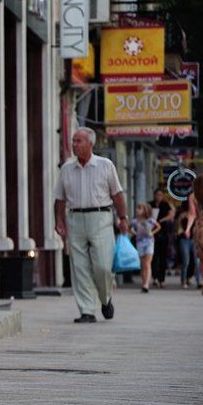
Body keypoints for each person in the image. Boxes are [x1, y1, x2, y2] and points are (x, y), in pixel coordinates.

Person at [54, 127, 129, 324]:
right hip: (75, 219)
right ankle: (87, 310)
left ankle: (105, 299)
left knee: (103, 266)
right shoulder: (66, 169)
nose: (74, 144)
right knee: (79, 267)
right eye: (73, 141)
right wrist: (59, 220)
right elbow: (59, 199)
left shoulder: (105, 165)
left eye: (79, 141)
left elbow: (117, 194)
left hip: (101, 218)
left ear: (90, 144)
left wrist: (123, 218)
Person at [130, 203, 160, 293]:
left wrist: (152, 233)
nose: (137, 210)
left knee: (147, 263)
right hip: (139, 243)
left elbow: (158, 226)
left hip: (149, 242)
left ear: (145, 210)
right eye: (137, 208)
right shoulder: (135, 221)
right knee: (143, 265)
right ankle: (144, 283)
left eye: (139, 208)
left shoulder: (150, 220)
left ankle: (146, 284)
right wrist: (134, 233)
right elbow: (129, 227)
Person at [148, 188, 175, 288]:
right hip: (152, 233)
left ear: (162, 196)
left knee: (163, 257)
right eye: (157, 195)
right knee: (154, 256)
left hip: (163, 233)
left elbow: (171, 215)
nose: (158, 197)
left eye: (160, 195)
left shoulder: (165, 204)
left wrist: (161, 220)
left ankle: (161, 279)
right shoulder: (150, 204)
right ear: (154, 195)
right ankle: (154, 277)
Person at [183, 175, 203, 294]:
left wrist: (187, 229)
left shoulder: (193, 197)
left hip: (200, 229)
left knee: (202, 259)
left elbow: (192, 214)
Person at [176, 199, 202, 289]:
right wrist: (183, 231)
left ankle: (199, 281)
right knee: (186, 261)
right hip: (184, 240)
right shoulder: (182, 216)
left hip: (195, 239)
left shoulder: (198, 216)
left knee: (197, 261)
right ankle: (183, 281)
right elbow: (178, 228)